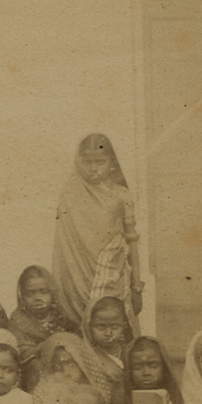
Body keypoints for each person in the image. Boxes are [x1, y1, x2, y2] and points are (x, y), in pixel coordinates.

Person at [52, 133, 143, 329]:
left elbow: (132, 240)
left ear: (111, 162)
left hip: (113, 277)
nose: (93, 168)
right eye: (87, 162)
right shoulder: (70, 194)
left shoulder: (121, 195)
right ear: (79, 162)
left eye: (99, 162)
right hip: (76, 280)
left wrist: (137, 287)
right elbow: (63, 247)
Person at [9, 265, 77, 392]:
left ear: (52, 293)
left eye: (44, 292)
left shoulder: (61, 315)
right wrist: (44, 347)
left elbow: (73, 340)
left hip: (63, 361)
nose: (38, 298)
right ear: (22, 296)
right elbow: (20, 351)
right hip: (33, 368)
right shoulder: (17, 319)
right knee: (36, 367)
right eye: (30, 293)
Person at [122, 336, 185, 404]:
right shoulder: (121, 398)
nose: (146, 373)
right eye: (137, 367)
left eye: (153, 366)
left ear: (163, 367)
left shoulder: (174, 394)